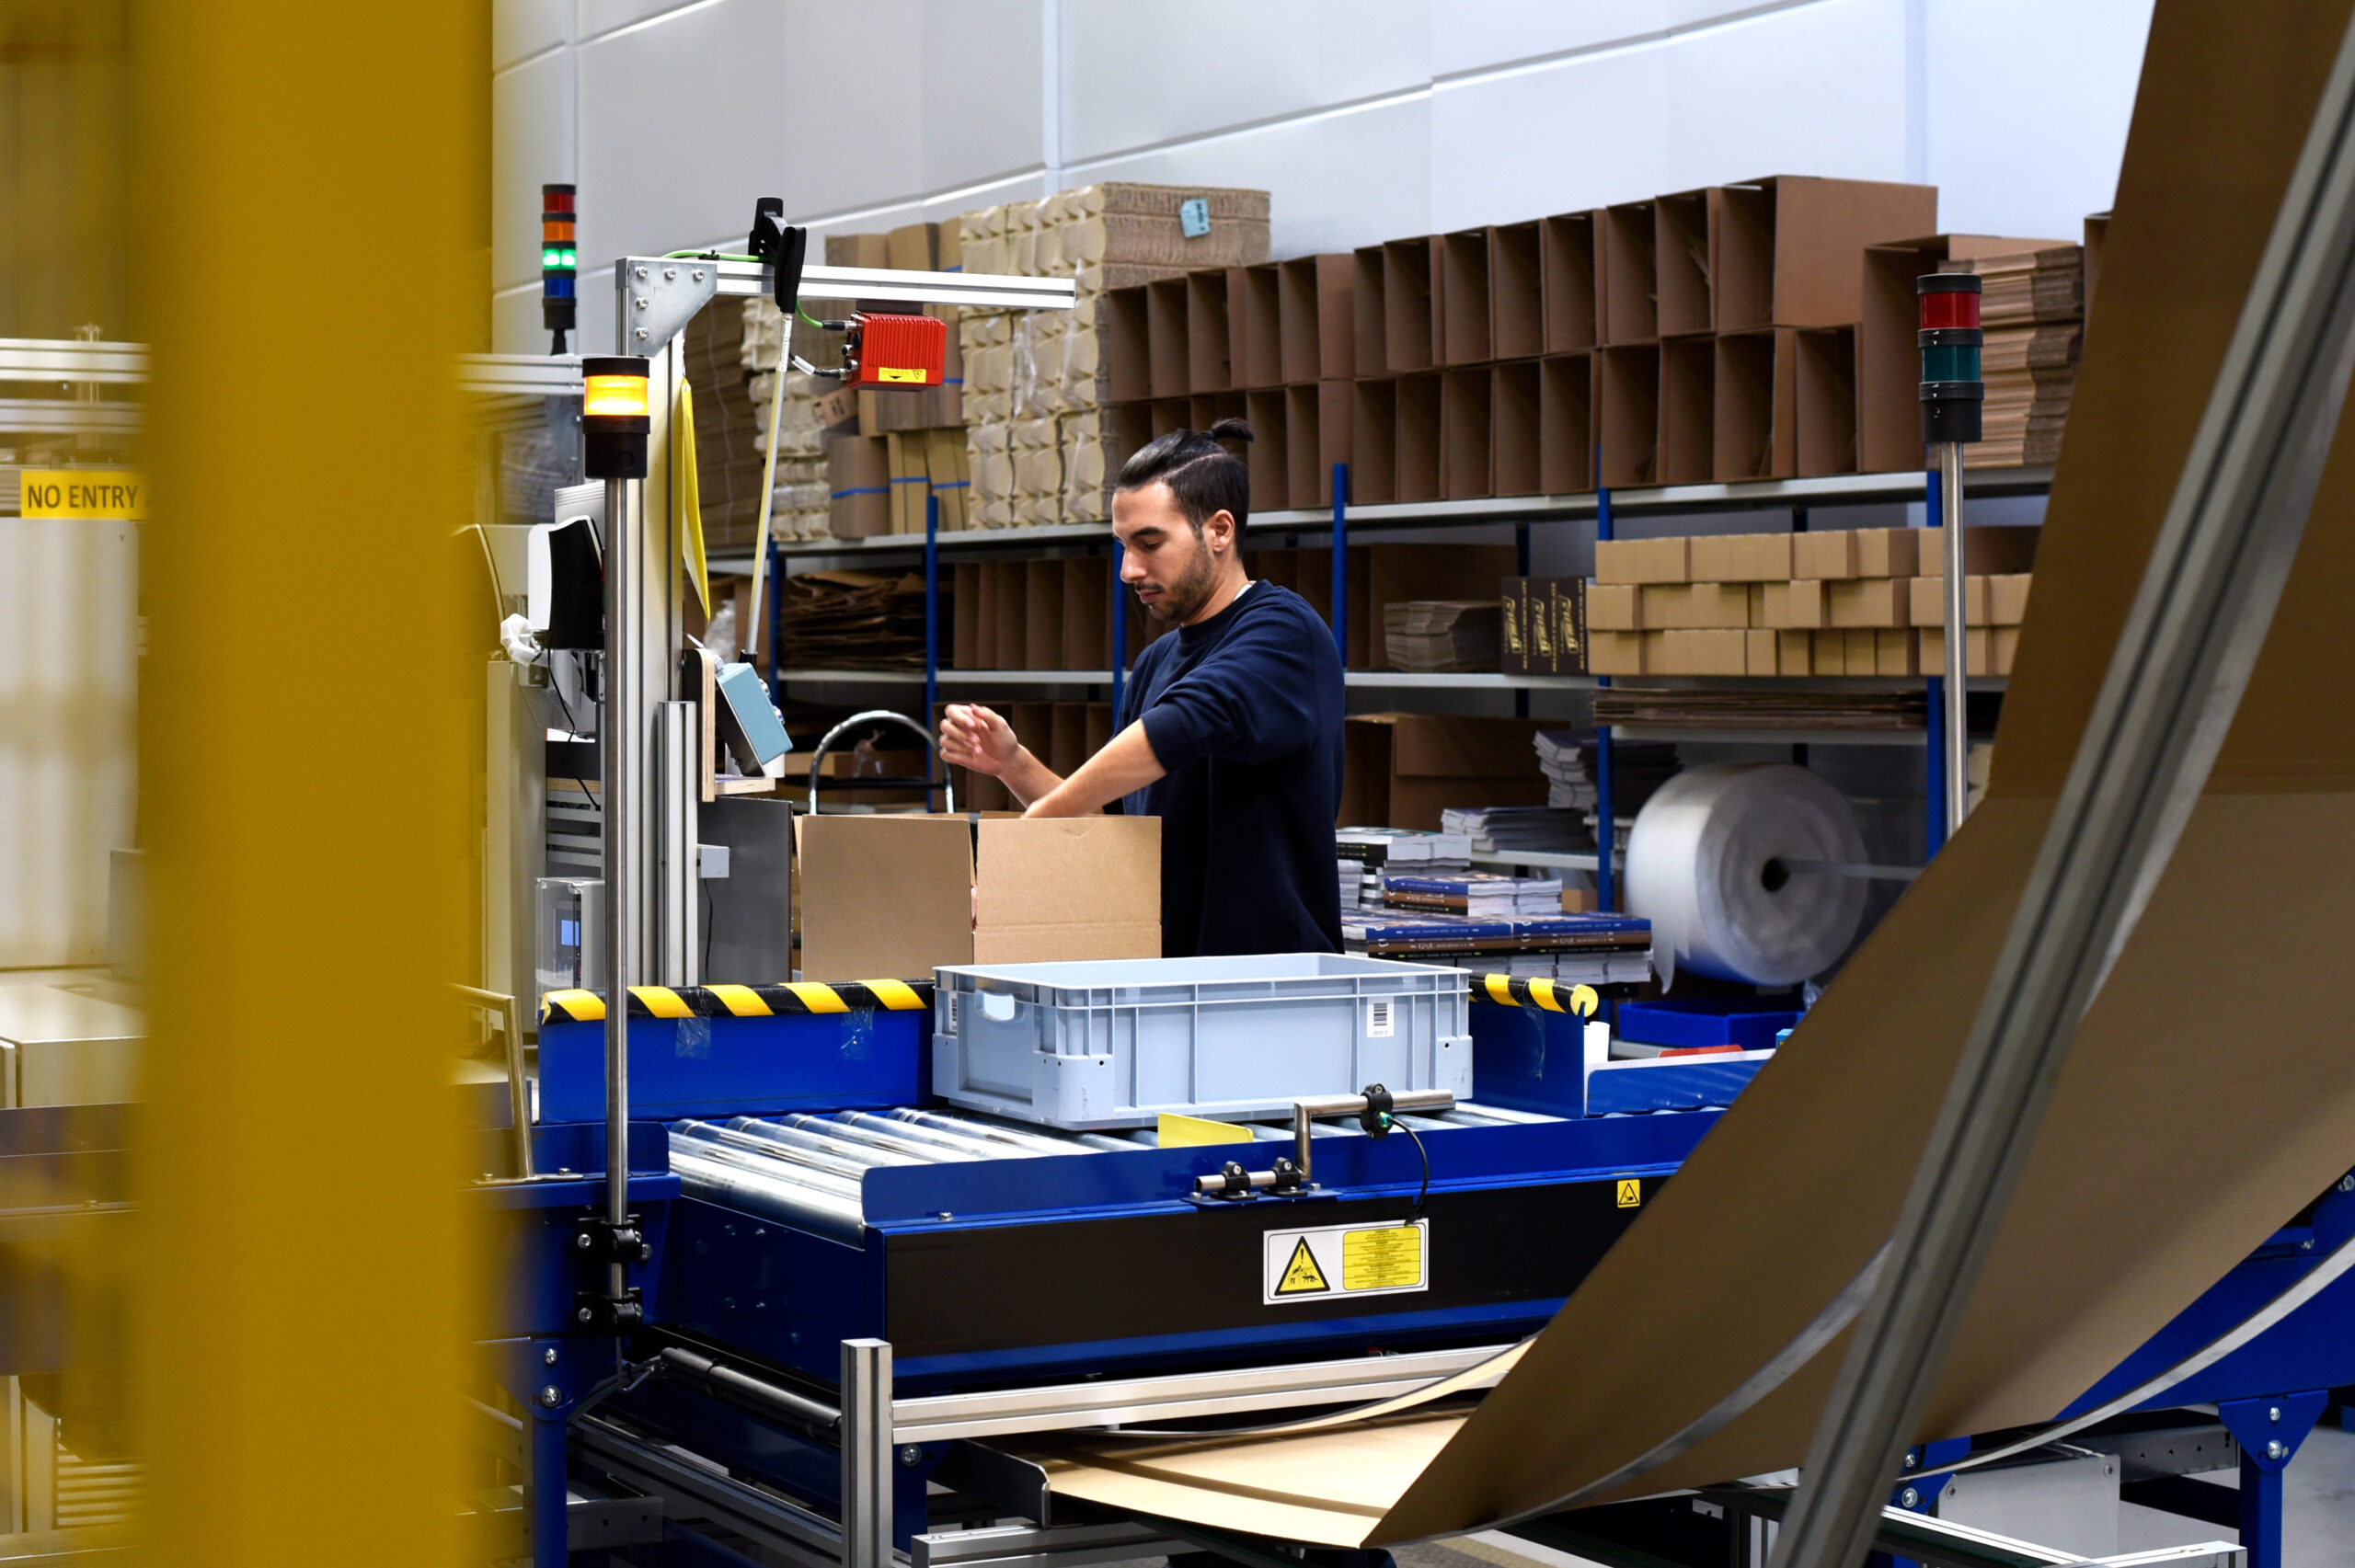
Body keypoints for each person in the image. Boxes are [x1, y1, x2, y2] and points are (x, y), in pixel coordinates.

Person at [938, 420, 1346, 957]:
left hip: (1267, 988)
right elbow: (1110, 838)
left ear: (1220, 530)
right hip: (1165, 981)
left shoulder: (1282, 633)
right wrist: (1014, 764)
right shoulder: (1155, 664)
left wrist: (1014, 848)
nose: (1130, 569)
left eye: (1150, 543)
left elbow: (1189, 723)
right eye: (1123, 546)